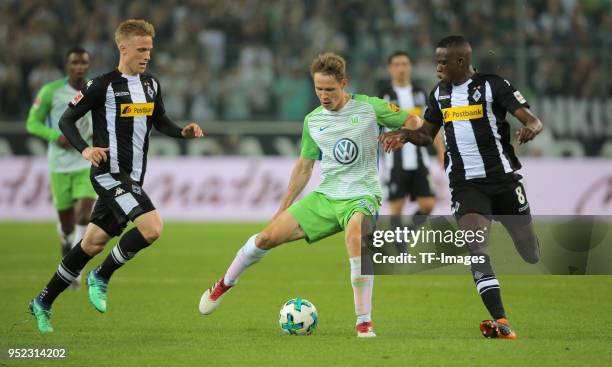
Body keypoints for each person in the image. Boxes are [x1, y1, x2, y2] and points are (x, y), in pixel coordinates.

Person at [198, 52, 422, 338]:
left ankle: (363, 321)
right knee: (266, 237)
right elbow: (304, 168)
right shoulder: (313, 121)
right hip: (325, 198)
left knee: (355, 237)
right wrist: (282, 209)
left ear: (344, 83)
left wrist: (401, 134)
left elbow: (416, 122)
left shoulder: (370, 107)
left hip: (361, 196)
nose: (324, 95)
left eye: (329, 89)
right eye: (318, 89)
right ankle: (224, 284)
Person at [28, 19, 204, 333]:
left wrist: (183, 132)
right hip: (109, 174)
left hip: (133, 178)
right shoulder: (100, 86)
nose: (147, 55)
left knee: (91, 244)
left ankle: (42, 301)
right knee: (152, 228)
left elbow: (160, 121)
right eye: (141, 49)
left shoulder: (151, 85)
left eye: (149, 49)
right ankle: (102, 275)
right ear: (122, 48)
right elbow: (67, 120)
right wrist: (85, 150)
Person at [380, 35, 543, 339]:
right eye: (436, 60)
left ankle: (524, 237)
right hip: (466, 186)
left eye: (443, 61)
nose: (437, 66)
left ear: (461, 62)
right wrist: (404, 134)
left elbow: (531, 120)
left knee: (531, 253)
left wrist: (531, 128)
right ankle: (501, 321)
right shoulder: (439, 95)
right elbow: (428, 133)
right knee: (477, 251)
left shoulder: (494, 85)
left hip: (504, 182)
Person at [26, 47, 96, 289]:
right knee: (67, 223)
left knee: (85, 215)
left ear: (88, 65)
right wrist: (55, 136)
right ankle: (65, 236)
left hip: (85, 161)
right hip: (59, 165)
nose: (80, 67)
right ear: (67, 65)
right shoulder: (51, 92)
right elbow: (32, 123)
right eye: (75, 63)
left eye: (84, 63)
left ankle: (74, 268)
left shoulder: (95, 89)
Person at [379, 51, 444, 232]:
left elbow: (432, 125)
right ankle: (399, 249)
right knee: (396, 209)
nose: (401, 68)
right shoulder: (384, 95)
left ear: (410, 67)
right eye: (397, 64)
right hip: (394, 160)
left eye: (405, 64)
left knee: (428, 205)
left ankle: (408, 231)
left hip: (419, 159)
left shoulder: (421, 94)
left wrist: (441, 151)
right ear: (390, 68)